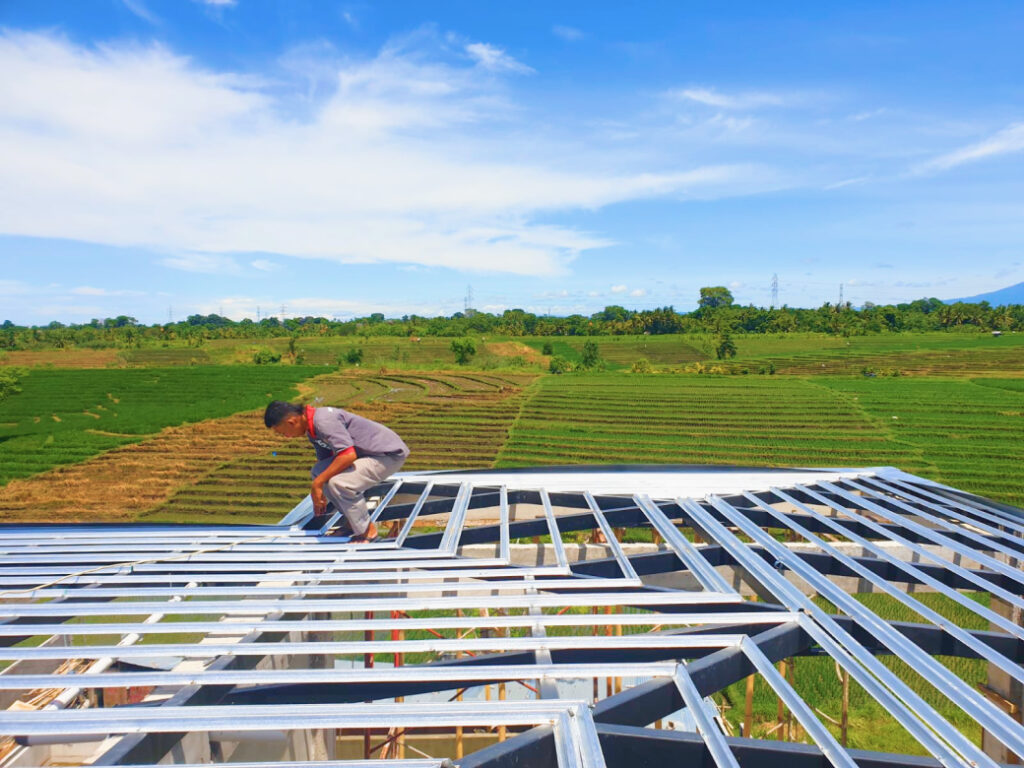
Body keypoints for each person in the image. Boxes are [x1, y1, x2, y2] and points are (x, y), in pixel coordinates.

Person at [264, 400, 409, 542]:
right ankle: (352, 523)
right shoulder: (312, 428)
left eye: (283, 433)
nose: (287, 436)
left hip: (386, 455)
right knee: (318, 471)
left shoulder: (323, 421)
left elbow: (348, 455)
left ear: (291, 422)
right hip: (366, 454)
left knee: (340, 483)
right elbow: (326, 460)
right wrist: (321, 485)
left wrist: (318, 484)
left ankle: (367, 531)